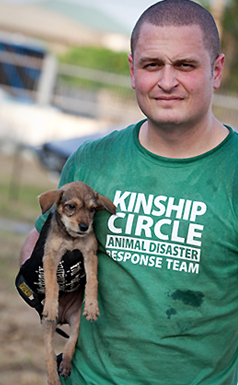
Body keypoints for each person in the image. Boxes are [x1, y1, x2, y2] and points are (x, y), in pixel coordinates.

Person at [20, 0, 238, 384]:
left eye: (185, 65)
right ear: (132, 70)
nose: (167, 81)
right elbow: (40, 240)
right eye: (152, 65)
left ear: (216, 71)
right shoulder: (93, 159)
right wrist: (59, 302)